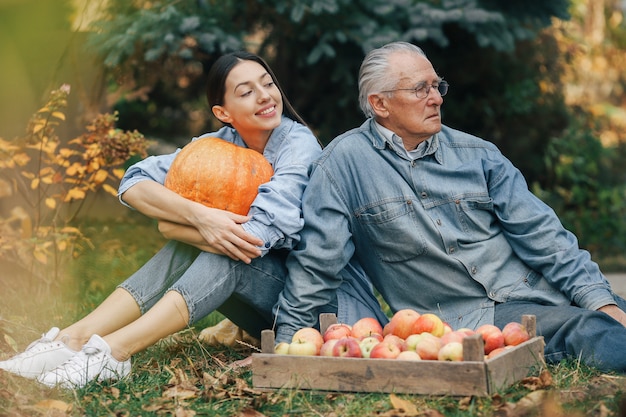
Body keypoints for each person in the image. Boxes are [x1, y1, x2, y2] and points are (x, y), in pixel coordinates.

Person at [0, 51, 386, 388]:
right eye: (246, 91)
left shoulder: (298, 145)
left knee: (223, 250)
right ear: (223, 113)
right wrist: (199, 217)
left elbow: (258, 236)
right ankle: (74, 337)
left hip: (330, 315)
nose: (265, 96)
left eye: (267, 84)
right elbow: (134, 181)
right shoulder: (220, 144)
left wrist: (174, 226)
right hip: (272, 305)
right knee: (210, 239)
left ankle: (115, 351)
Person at [273, 41, 626, 372]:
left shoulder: (479, 155)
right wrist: (285, 348)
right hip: (468, 321)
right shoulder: (342, 166)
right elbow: (316, 265)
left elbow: (546, 236)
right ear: (380, 104)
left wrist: (602, 301)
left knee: (604, 317)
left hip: (541, 292)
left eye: (436, 86)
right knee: (587, 330)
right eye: (420, 89)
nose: (436, 99)